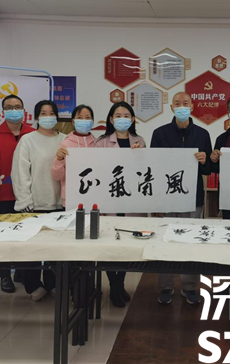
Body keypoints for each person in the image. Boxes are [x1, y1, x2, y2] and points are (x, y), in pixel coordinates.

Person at [150, 92, 212, 306]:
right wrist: (157, 201)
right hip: (167, 196)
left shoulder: (203, 134)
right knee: (164, 240)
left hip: (192, 197)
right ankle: (165, 286)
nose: (181, 107)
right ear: (171, 108)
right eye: (177, 104)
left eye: (185, 103)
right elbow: (154, 167)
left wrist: (204, 161)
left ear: (192, 106)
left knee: (190, 241)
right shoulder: (159, 133)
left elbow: (209, 169)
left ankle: (189, 286)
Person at [12, 100, 66, 301]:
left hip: (60, 204)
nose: (48, 117)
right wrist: (25, 200)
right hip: (34, 204)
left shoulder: (64, 140)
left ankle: (53, 283)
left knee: (55, 249)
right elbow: (20, 173)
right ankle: (33, 285)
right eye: (43, 113)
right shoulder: (28, 140)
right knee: (33, 249)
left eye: (52, 113)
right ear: (36, 117)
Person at [96, 101, 146, 308]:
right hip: (110, 198)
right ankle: (114, 285)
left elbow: (145, 170)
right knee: (110, 243)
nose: (122, 119)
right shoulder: (101, 142)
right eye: (118, 115)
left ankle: (121, 283)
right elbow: (97, 170)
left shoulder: (139, 140)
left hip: (131, 199)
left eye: (126, 115)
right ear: (111, 119)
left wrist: (139, 155)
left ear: (132, 119)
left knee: (126, 242)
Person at [0, 94, 34, 293]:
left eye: (18, 106)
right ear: (3, 110)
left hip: (28, 195)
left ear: (24, 110)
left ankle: (23, 272)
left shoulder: (33, 133)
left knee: (27, 236)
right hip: (2, 194)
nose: (14, 110)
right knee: (3, 237)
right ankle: (4, 275)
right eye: (9, 107)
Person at [51, 104, 98, 208]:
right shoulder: (66, 144)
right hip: (71, 198)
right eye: (80, 118)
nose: (84, 121)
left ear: (92, 122)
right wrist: (59, 159)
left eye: (87, 118)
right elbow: (56, 176)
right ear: (73, 122)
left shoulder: (97, 143)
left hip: (94, 196)